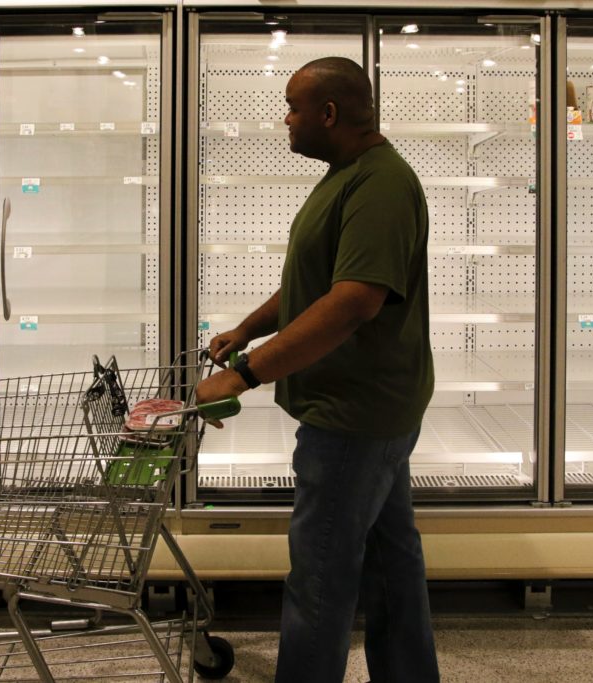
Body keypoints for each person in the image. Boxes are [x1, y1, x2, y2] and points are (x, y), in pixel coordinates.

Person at [194, 56, 439, 683]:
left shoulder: (380, 184)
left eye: (293, 106)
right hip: (368, 408)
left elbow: (353, 300)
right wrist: (248, 329)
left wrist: (245, 374)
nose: (286, 118)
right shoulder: (348, 174)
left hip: (354, 415)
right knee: (391, 566)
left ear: (328, 113)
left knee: (320, 579)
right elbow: (317, 284)